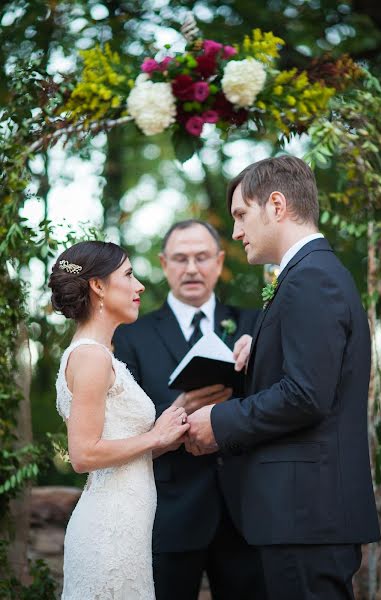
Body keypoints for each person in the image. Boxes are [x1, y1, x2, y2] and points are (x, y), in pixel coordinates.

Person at [186, 156, 381, 600]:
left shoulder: (310, 278)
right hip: (306, 513)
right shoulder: (309, 274)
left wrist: (219, 422)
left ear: (276, 204)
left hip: (306, 514)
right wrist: (264, 347)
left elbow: (305, 395)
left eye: (240, 214)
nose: (235, 232)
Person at [113, 220, 265, 600]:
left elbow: (276, 400)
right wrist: (175, 411)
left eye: (201, 257)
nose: (192, 268)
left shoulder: (255, 324)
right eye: (181, 259)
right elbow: (122, 422)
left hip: (245, 510)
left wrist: (258, 351)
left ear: (218, 261)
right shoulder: (131, 335)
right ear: (164, 264)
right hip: (170, 511)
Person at [49, 240, 190, 600]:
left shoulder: (102, 357)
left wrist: (169, 433)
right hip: (107, 536)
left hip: (127, 532)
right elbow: (83, 455)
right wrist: (155, 438)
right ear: (97, 286)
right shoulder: (91, 358)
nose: (139, 285)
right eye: (128, 274)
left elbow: (120, 447)